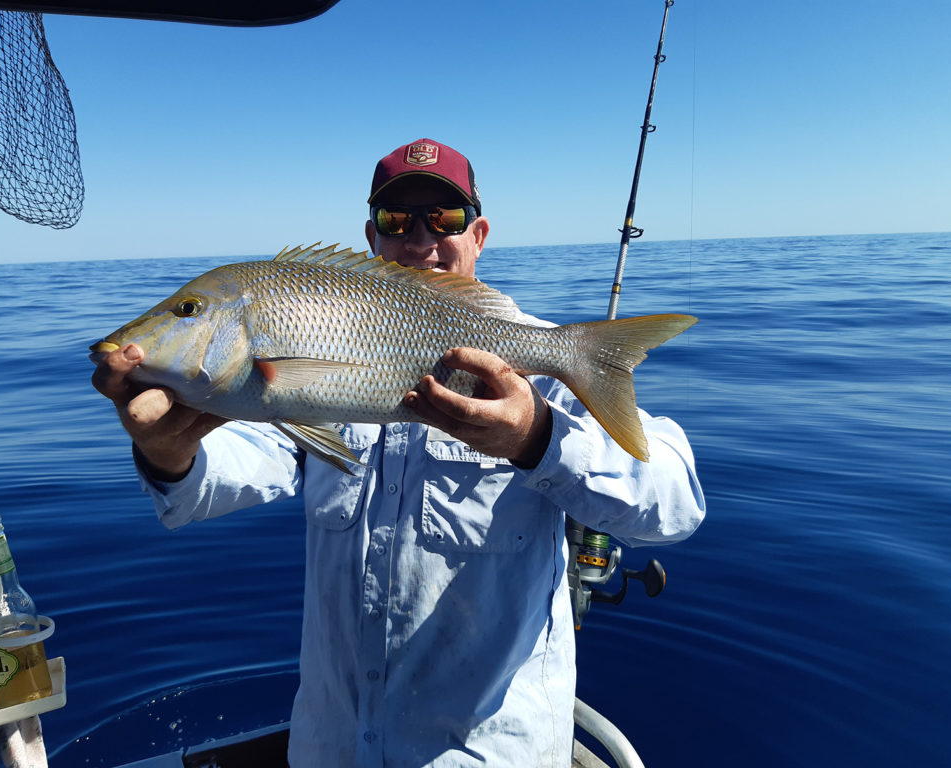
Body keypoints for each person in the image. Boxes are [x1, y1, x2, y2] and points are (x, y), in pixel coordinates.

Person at [91, 138, 706, 767]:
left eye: (444, 219)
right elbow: (239, 464)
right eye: (396, 220)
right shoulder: (293, 361)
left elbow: (677, 503)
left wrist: (537, 438)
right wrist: (167, 455)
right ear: (372, 236)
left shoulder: (542, 363)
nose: (419, 240)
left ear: (479, 234)